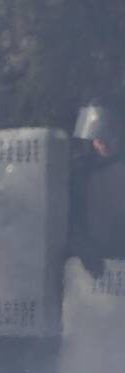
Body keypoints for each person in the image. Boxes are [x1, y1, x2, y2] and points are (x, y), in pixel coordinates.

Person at [70, 99, 125, 279]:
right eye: (97, 139)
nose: (103, 143)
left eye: (109, 136)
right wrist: (84, 250)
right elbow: (72, 217)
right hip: (90, 267)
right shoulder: (79, 173)